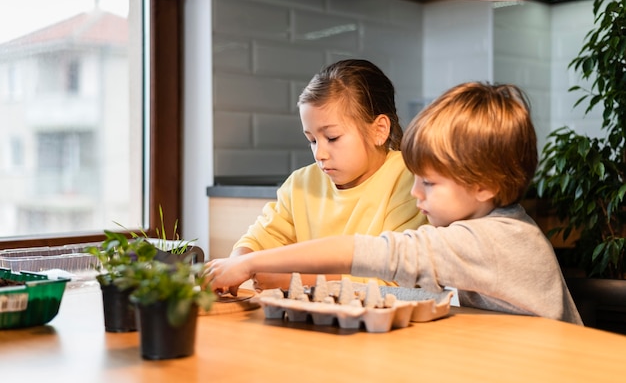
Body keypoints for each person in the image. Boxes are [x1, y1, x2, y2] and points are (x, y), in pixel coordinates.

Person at [206, 81, 583, 324]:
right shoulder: (485, 225)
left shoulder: (492, 240)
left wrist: (250, 263)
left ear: (484, 185)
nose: (415, 193)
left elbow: (366, 252)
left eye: (430, 183)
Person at [229, 59, 427, 290]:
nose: (319, 153)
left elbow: (396, 280)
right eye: (311, 140)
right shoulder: (301, 184)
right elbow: (256, 243)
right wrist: (236, 265)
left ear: (379, 130)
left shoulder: (410, 180)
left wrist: (293, 280)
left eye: (332, 138)